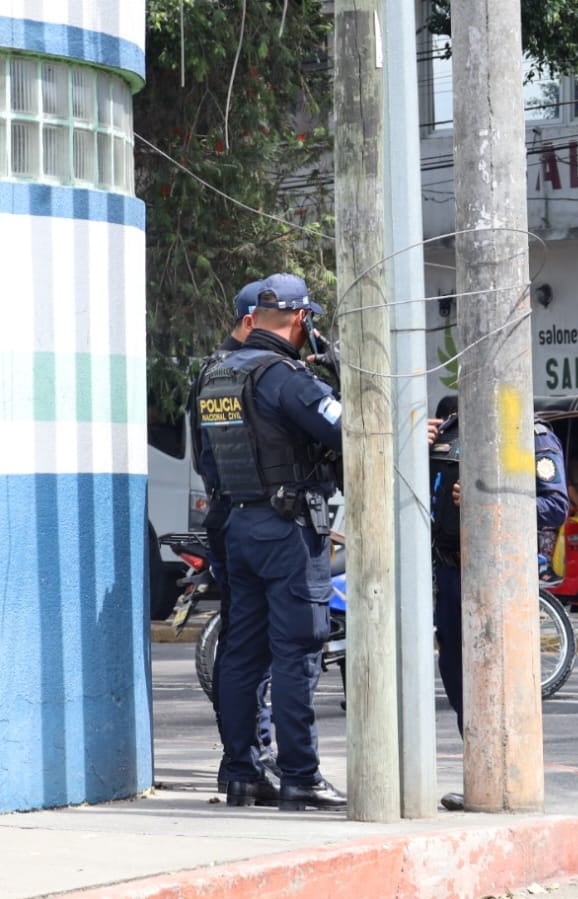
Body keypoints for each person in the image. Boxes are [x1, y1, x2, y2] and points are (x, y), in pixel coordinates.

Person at [196, 272, 347, 811]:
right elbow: (348, 435)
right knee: (297, 653)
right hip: (287, 530)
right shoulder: (286, 378)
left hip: (236, 526)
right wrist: (338, 376)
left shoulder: (212, 376)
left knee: (241, 655)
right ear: (302, 319)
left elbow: (205, 463)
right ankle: (300, 775)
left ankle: (241, 773)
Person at [430, 394, 568, 811]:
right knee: (458, 680)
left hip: (501, 574)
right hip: (450, 572)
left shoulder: (530, 436)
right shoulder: (448, 432)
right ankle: (480, 777)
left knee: (501, 677)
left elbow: (555, 506)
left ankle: (510, 782)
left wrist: (486, 501)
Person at [187, 280, 277, 794]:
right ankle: (250, 759)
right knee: (257, 649)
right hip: (251, 519)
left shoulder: (209, 374)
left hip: (225, 516)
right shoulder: (253, 374)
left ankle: (238, 763)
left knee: (242, 646)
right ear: (250, 322)